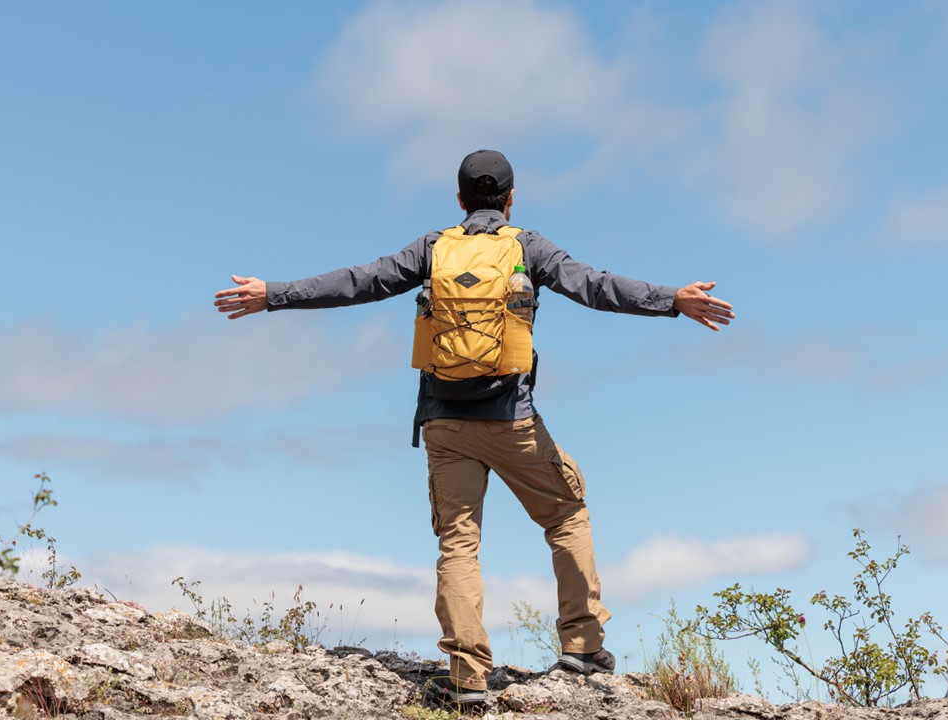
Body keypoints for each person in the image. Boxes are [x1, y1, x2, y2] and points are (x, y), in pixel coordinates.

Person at [213, 149, 735, 706]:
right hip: (514, 421)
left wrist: (273, 295)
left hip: (445, 423)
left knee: (459, 544)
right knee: (566, 512)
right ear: (510, 200)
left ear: (459, 200)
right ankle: (582, 646)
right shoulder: (528, 246)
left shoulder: (434, 247)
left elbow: (358, 282)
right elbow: (596, 287)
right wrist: (673, 301)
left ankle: (466, 678)